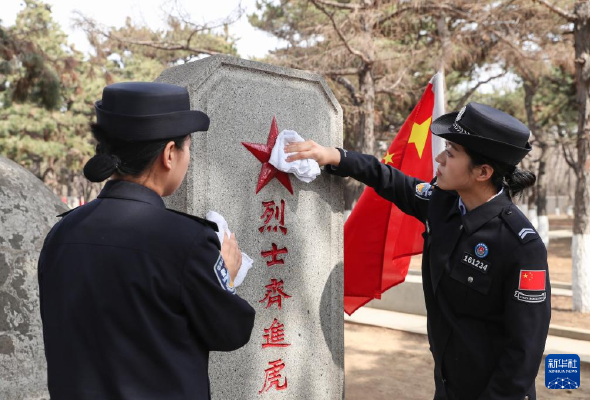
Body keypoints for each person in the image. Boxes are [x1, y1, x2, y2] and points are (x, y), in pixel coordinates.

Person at [285, 102, 550, 400]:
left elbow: (524, 351)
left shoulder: (520, 246)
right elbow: (389, 179)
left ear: (483, 171)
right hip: (448, 387)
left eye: (450, 153)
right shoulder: (443, 205)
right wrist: (336, 157)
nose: (439, 158)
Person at [38, 82, 256, 400]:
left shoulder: (61, 234)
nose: (188, 158)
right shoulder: (189, 242)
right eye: (188, 148)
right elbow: (230, 331)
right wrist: (227, 277)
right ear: (169, 154)